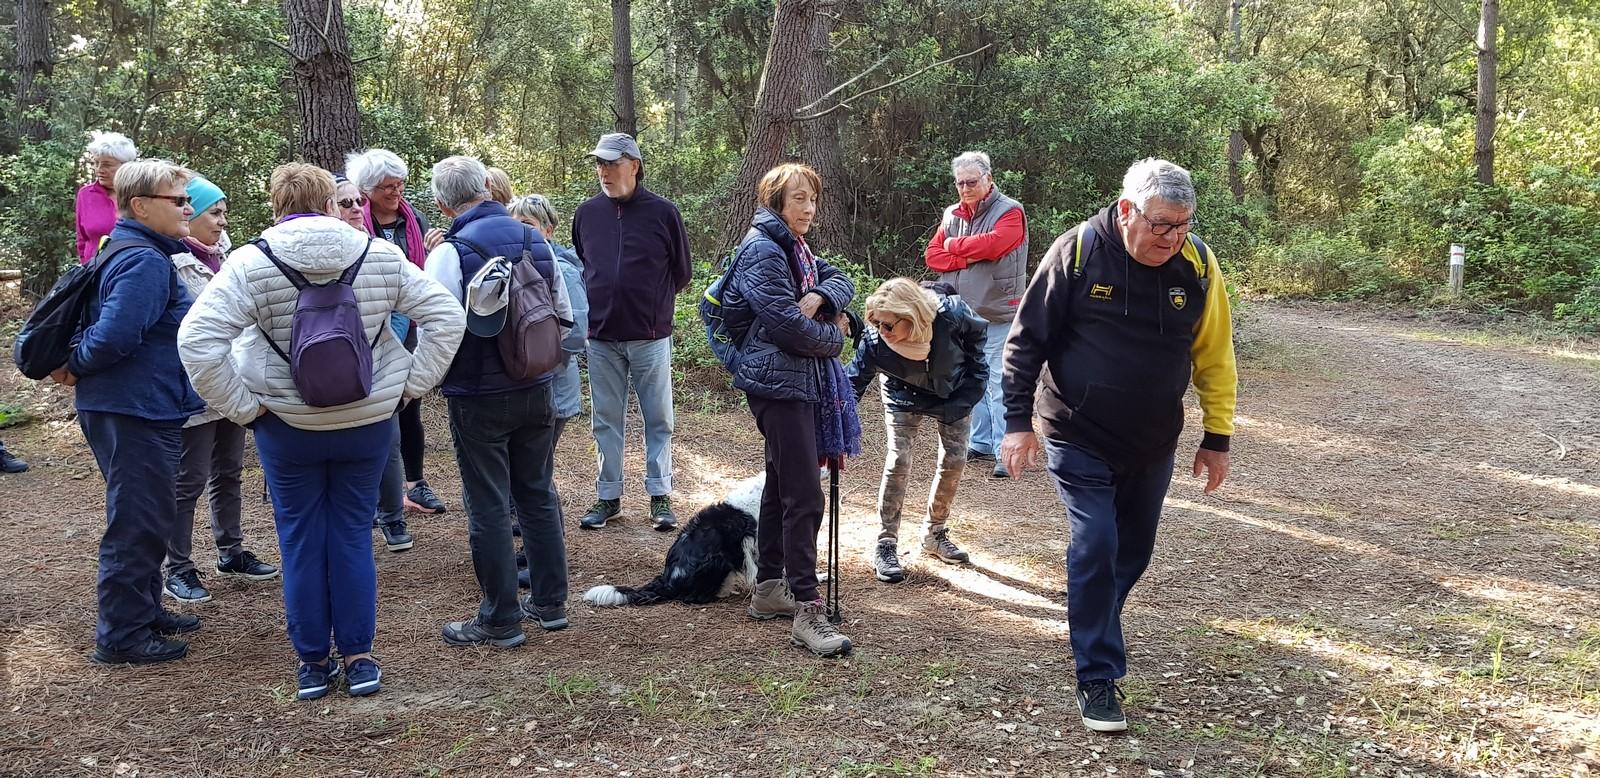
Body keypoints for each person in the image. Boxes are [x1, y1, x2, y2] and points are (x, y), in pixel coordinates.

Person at [178, 163, 464, 700]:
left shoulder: (249, 263)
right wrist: (407, 387)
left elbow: (197, 342)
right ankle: (359, 658)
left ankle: (312, 663)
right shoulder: (377, 254)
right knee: (354, 535)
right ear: (332, 204)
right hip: (368, 423)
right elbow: (448, 316)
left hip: (286, 427)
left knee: (302, 540)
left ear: (275, 206)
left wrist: (245, 408)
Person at [1000, 158, 1236, 734]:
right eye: (1161, 225)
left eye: (1182, 225)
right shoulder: (1078, 252)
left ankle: (1092, 611)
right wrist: (1015, 421)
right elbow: (1026, 340)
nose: (1173, 238)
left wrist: (1217, 435)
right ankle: (1098, 677)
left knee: (1133, 551)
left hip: (1153, 441)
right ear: (1127, 211)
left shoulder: (1199, 265)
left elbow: (1214, 355)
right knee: (1096, 541)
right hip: (1077, 431)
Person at [55, 159, 207, 665]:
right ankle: (122, 635)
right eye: (178, 200)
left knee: (150, 511)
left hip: (137, 405)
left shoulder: (133, 250)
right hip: (132, 407)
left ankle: (143, 610)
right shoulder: (143, 259)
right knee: (137, 518)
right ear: (140, 206)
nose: (187, 208)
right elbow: (117, 332)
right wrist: (75, 365)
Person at [423, 156, 574, 645]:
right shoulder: (535, 239)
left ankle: (500, 618)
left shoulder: (451, 250)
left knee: (488, 504)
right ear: (488, 187)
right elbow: (562, 314)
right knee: (537, 493)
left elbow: (439, 324)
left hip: (478, 395)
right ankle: (551, 604)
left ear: (444, 205)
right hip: (536, 387)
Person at [722, 163, 855, 657]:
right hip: (776, 383)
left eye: (813, 199)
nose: (809, 208)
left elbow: (839, 279)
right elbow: (787, 326)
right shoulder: (763, 251)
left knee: (781, 483)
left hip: (796, 379)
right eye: (798, 198)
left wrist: (822, 294)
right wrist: (835, 336)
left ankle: (769, 588)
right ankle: (806, 609)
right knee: (805, 494)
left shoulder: (797, 250)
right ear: (775, 201)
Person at [163, 175, 279, 605]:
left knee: (228, 472)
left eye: (224, 211)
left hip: (232, 385)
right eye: (215, 212)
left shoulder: (228, 256)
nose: (222, 220)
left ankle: (230, 551)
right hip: (193, 388)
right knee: (188, 479)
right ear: (188, 215)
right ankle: (178, 567)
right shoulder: (172, 261)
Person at [570, 133, 692, 531]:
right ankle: (609, 497)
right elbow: (585, 264)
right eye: (599, 164)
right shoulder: (587, 214)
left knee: (658, 417)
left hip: (650, 336)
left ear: (634, 165)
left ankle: (659, 496)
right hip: (601, 336)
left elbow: (682, 272)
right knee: (606, 418)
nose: (604, 171)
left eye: (612, 163)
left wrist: (651, 307)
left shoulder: (663, 212)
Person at [846, 278, 988, 583]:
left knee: (954, 461)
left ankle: (935, 534)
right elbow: (851, 386)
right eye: (877, 324)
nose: (882, 332)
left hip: (954, 391)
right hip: (901, 393)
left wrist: (971, 390)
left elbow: (978, 345)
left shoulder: (951, 315)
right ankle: (886, 543)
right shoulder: (875, 341)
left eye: (888, 325)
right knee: (899, 460)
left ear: (911, 316)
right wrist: (830, 423)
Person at [346, 148, 447, 516]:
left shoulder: (413, 219)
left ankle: (415, 484)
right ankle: (377, 492)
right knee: (371, 407)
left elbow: (424, 277)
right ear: (367, 189)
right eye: (387, 186)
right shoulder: (353, 222)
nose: (396, 192)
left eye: (399, 184)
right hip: (369, 325)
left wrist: (436, 250)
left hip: (408, 325)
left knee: (408, 406)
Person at [924, 151, 1027, 478]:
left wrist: (954, 247)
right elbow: (932, 256)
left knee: (999, 380)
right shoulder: (951, 213)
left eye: (972, 181)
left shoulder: (1011, 211)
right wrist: (966, 255)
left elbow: (996, 245)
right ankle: (981, 442)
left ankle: (1004, 451)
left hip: (997, 311)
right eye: (960, 183)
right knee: (973, 377)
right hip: (961, 312)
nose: (965, 188)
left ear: (988, 179)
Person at [510, 194, 589, 444]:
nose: (520, 231)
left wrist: (535, 356)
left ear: (548, 230)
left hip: (555, 388)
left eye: (527, 224)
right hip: (522, 388)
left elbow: (577, 334)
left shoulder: (563, 270)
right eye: (514, 225)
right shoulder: (511, 265)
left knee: (537, 470)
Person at [75, 131, 139, 264]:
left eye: (106, 164)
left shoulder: (141, 193)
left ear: (126, 165)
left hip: (133, 268)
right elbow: (82, 240)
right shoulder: (86, 194)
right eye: (96, 163)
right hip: (95, 273)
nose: (99, 169)